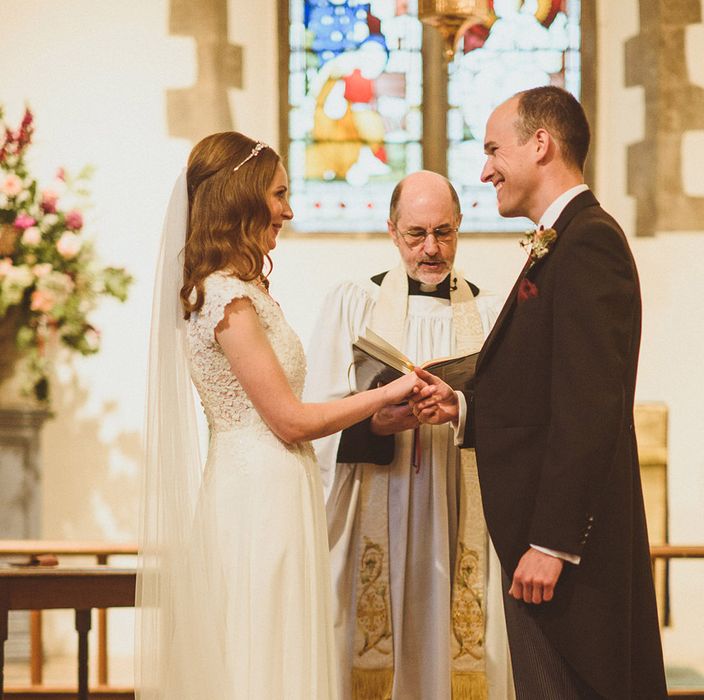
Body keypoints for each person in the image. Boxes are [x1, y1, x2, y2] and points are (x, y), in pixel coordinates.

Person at [135, 132, 422, 700]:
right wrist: (388, 393)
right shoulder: (225, 298)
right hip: (256, 496)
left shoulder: (240, 290)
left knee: (277, 639)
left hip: (271, 485)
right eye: (279, 194)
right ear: (242, 196)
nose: (289, 210)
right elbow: (288, 421)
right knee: (260, 648)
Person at [412, 87, 667, 699]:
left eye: (495, 149)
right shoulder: (563, 241)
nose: (485, 169)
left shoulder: (588, 242)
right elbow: (543, 388)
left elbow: (590, 406)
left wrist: (551, 543)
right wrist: (464, 404)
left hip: (562, 558)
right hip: (541, 545)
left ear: (541, 144)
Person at [304, 170, 515, 699]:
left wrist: (460, 407)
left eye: (443, 233)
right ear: (391, 230)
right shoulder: (353, 305)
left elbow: (515, 418)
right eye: (415, 234)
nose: (430, 249)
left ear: (461, 226)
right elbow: (316, 417)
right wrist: (373, 423)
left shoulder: (490, 314)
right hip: (378, 496)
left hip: (460, 500)